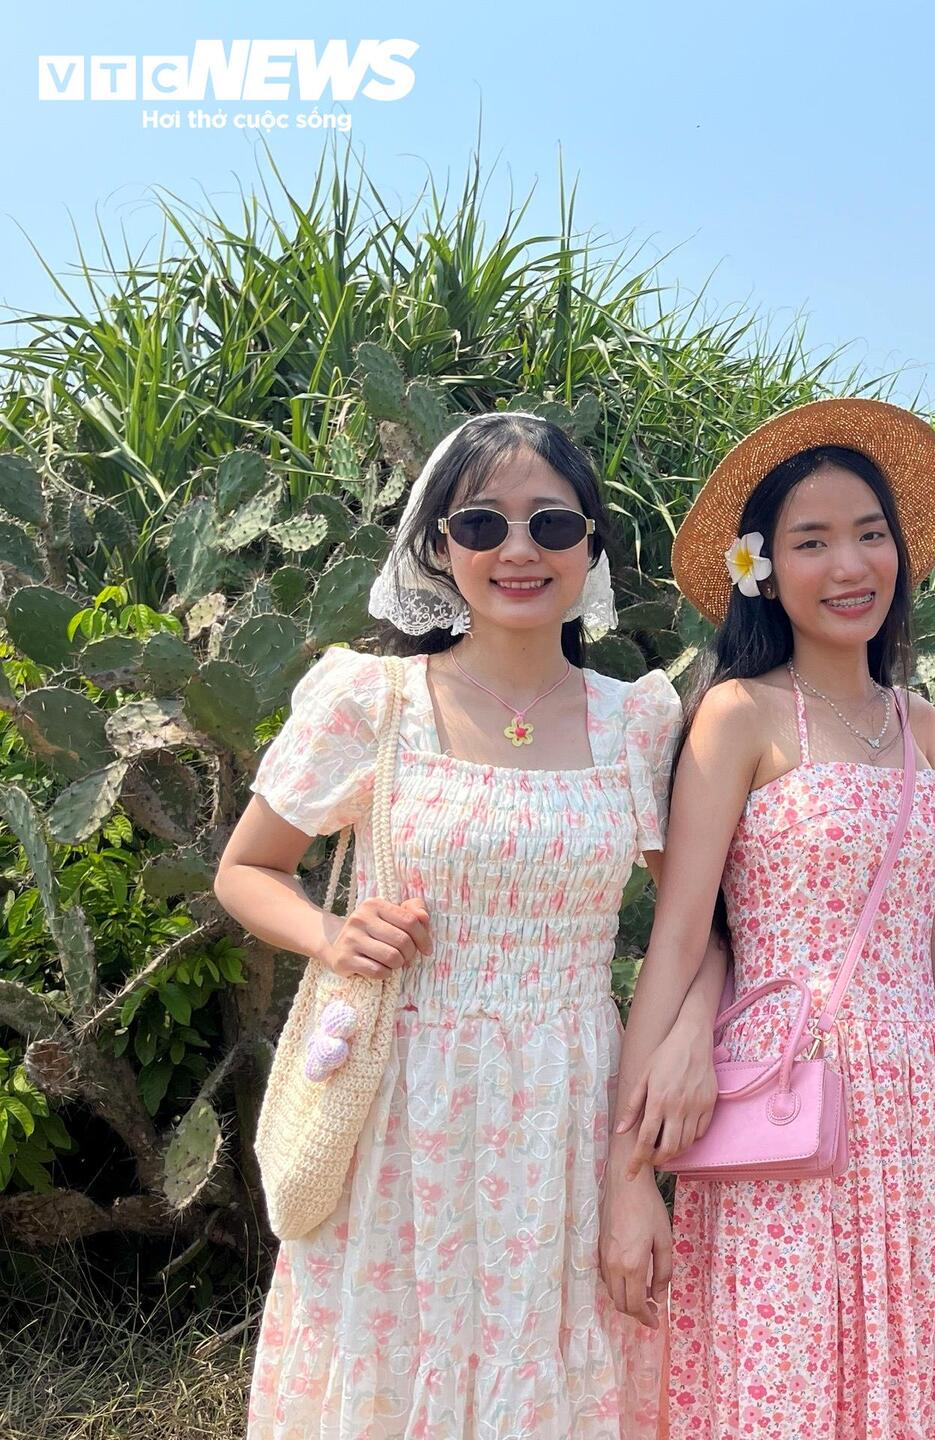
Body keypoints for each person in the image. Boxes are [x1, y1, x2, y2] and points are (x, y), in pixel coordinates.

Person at [217, 412, 723, 1439]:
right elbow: (247, 870)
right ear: (440, 545)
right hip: (403, 1106)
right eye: (483, 523)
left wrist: (677, 1078)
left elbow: (700, 929)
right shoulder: (370, 698)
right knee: (398, 1362)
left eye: (552, 523)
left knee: (551, 1360)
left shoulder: (641, 720)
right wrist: (327, 935)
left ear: (591, 546)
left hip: (570, 1107)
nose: (519, 550)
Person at [601, 398, 935, 1439]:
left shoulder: (918, 721)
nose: (849, 566)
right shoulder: (738, 715)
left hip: (912, 1105)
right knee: (778, 1383)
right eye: (813, 541)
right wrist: (627, 1175)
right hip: (779, 1096)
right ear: (764, 569)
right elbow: (683, 936)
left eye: (871, 534)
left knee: (900, 1385)